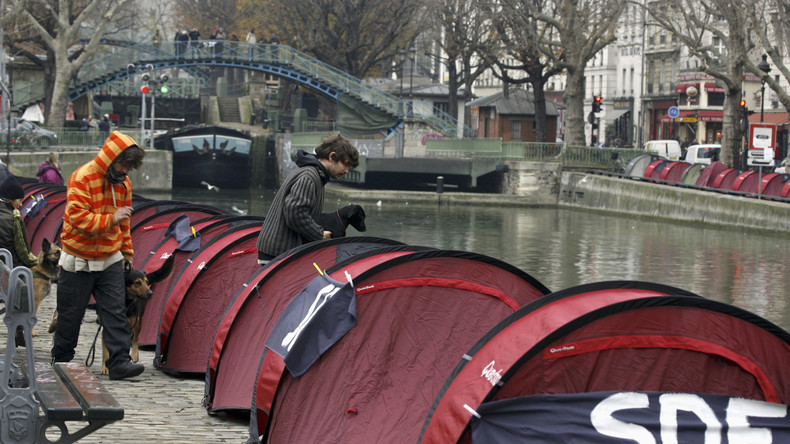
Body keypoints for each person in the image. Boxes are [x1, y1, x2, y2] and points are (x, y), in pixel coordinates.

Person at [51, 131, 146, 380]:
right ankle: (62, 358)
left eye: (129, 168)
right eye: (123, 165)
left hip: (109, 258)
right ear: (111, 158)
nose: (125, 171)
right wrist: (111, 218)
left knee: (116, 313)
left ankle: (119, 362)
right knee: (71, 314)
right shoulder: (82, 177)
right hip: (78, 258)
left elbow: (124, 223)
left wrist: (127, 252)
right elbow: (77, 218)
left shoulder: (124, 184)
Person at [256, 133, 359, 264]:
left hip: (279, 251)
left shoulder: (315, 174)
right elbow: (295, 213)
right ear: (332, 156)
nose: (347, 171)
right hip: (278, 254)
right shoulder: (309, 176)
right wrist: (318, 234)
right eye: (346, 164)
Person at [0, 175, 38, 268]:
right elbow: (23, 250)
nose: (21, 204)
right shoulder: (14, 219)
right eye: (20, 200)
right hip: (10, 267)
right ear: (10, 199)